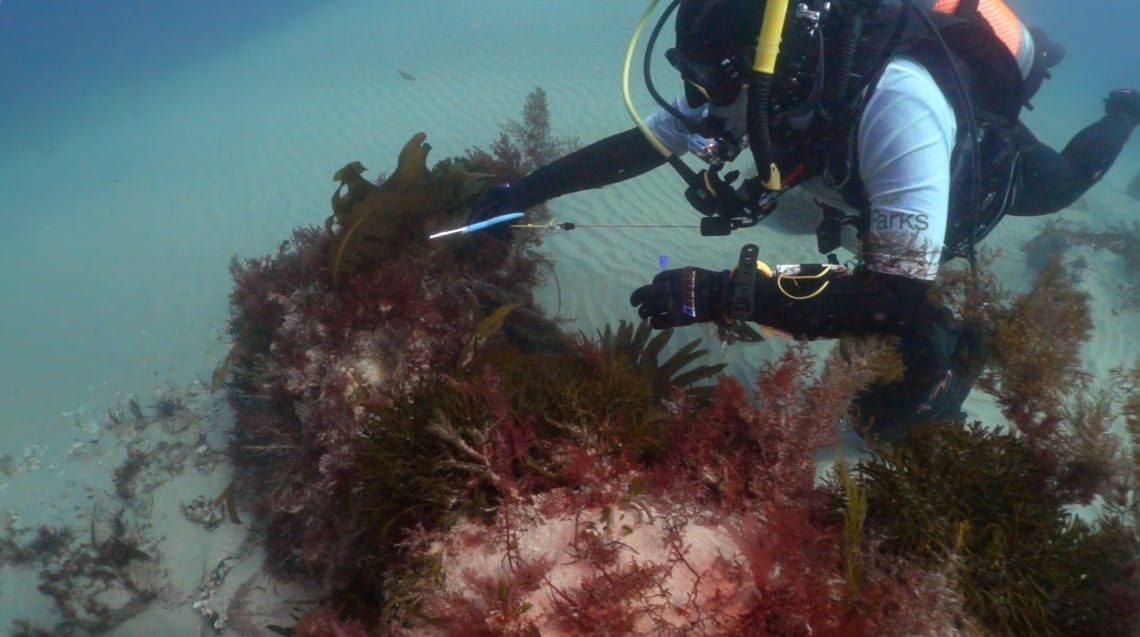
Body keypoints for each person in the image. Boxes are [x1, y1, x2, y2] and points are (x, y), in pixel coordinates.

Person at [470, 0, 1139, 440]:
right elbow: (642, 145)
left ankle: (1123, 112)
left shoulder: (899, 105)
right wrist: (525, 189)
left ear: (773, 65)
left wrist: (724, 292)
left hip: (984, 177)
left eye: (711, 78)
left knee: (1067, 182)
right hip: (855, 183)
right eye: (689, 74)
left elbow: (894, 292)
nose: (699, 101)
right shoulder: (738, 82)